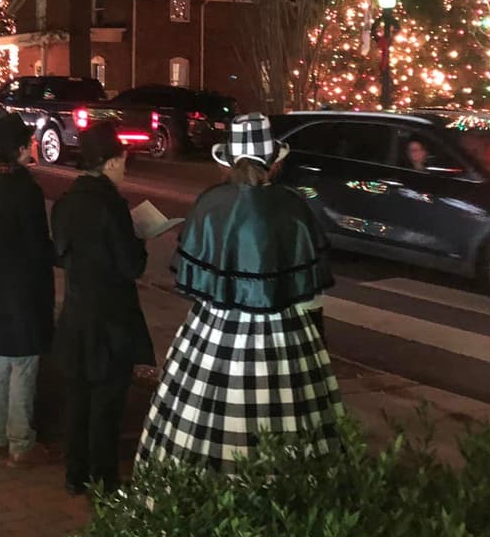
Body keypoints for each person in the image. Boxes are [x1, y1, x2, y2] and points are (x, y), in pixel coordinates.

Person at [137, 113, 342, 474]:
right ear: (274, 162)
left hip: (214, 333)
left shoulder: (209, 204)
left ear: (228, 162)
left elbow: (196, 287)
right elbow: (308, 293)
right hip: (284, 334)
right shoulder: (292, 206)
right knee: (292, 419)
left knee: (197, 419)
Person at [51, 122, 153, 496]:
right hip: (112, 317)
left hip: (76, 312)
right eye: (123, 161)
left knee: (78, 397)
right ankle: (104, 479)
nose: (125, 169)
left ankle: (75, 474)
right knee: (107, 400)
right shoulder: (112, 207)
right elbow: (132, 266)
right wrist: (140, 239)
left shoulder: (65, 202)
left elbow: (59, 253)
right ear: (110, 163)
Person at [0, 114, 54, 467]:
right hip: (24, 288)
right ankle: (21, 443)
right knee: (23, 365)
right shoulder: (27, 190)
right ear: (21, 149)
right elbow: (39, 244)